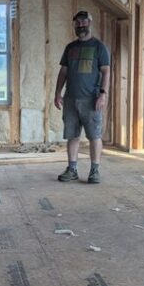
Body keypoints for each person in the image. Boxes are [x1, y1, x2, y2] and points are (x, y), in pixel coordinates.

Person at [53, 10, 110, 184]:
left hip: (91, 100)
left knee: (94, 136)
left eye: (84, 22)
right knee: (72, 136)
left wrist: (103, 94)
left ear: (90, 23)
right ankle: (72, 170)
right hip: (70, 99)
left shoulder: (99, 47)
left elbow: (106, 72)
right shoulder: (70, 48)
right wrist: (58, 93)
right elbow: (63, 72)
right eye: (78, 23)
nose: (80, 25)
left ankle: (94, 171)